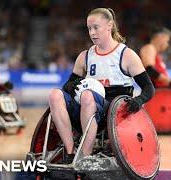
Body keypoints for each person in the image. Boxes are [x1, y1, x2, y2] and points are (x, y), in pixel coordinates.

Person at [48, 8, 154, 163]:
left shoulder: (126, 55)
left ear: (109, 25)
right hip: (86, 107)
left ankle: (86, 155)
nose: (92, 33)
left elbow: (149, 88)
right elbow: (68, 86)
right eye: (89, 28)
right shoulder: (84, 56)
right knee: (55, 95)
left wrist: (139, 100)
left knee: (87, 95)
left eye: (96, 27)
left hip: (112, 112)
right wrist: (69, 86)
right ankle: (71, 152)